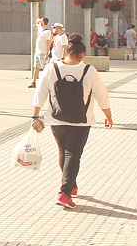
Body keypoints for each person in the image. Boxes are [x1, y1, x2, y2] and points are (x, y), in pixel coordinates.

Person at [31, 34, 114, 209]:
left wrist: (35, 116)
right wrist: (108, 115)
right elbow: (101, 95)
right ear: (82, 55)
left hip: (56, 118)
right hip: (81, 121)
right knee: (73, 155)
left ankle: (71, 185)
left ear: (66, 51)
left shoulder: (51, 68)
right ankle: (65, 192)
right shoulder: (89, 70)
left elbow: (40, 93)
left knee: (64, 152)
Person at [29, 17, 52, 87]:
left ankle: (47, 83)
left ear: (44, 23)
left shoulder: (47, 32)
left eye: (42, 22)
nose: (40, 23)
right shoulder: (41, 29)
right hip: (38, 51)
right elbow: (37, 22)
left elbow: (48, 42)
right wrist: (39, 20)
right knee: (36, 67)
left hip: (43, 52)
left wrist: (47, 53)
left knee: (45, 68)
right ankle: (33, 82)